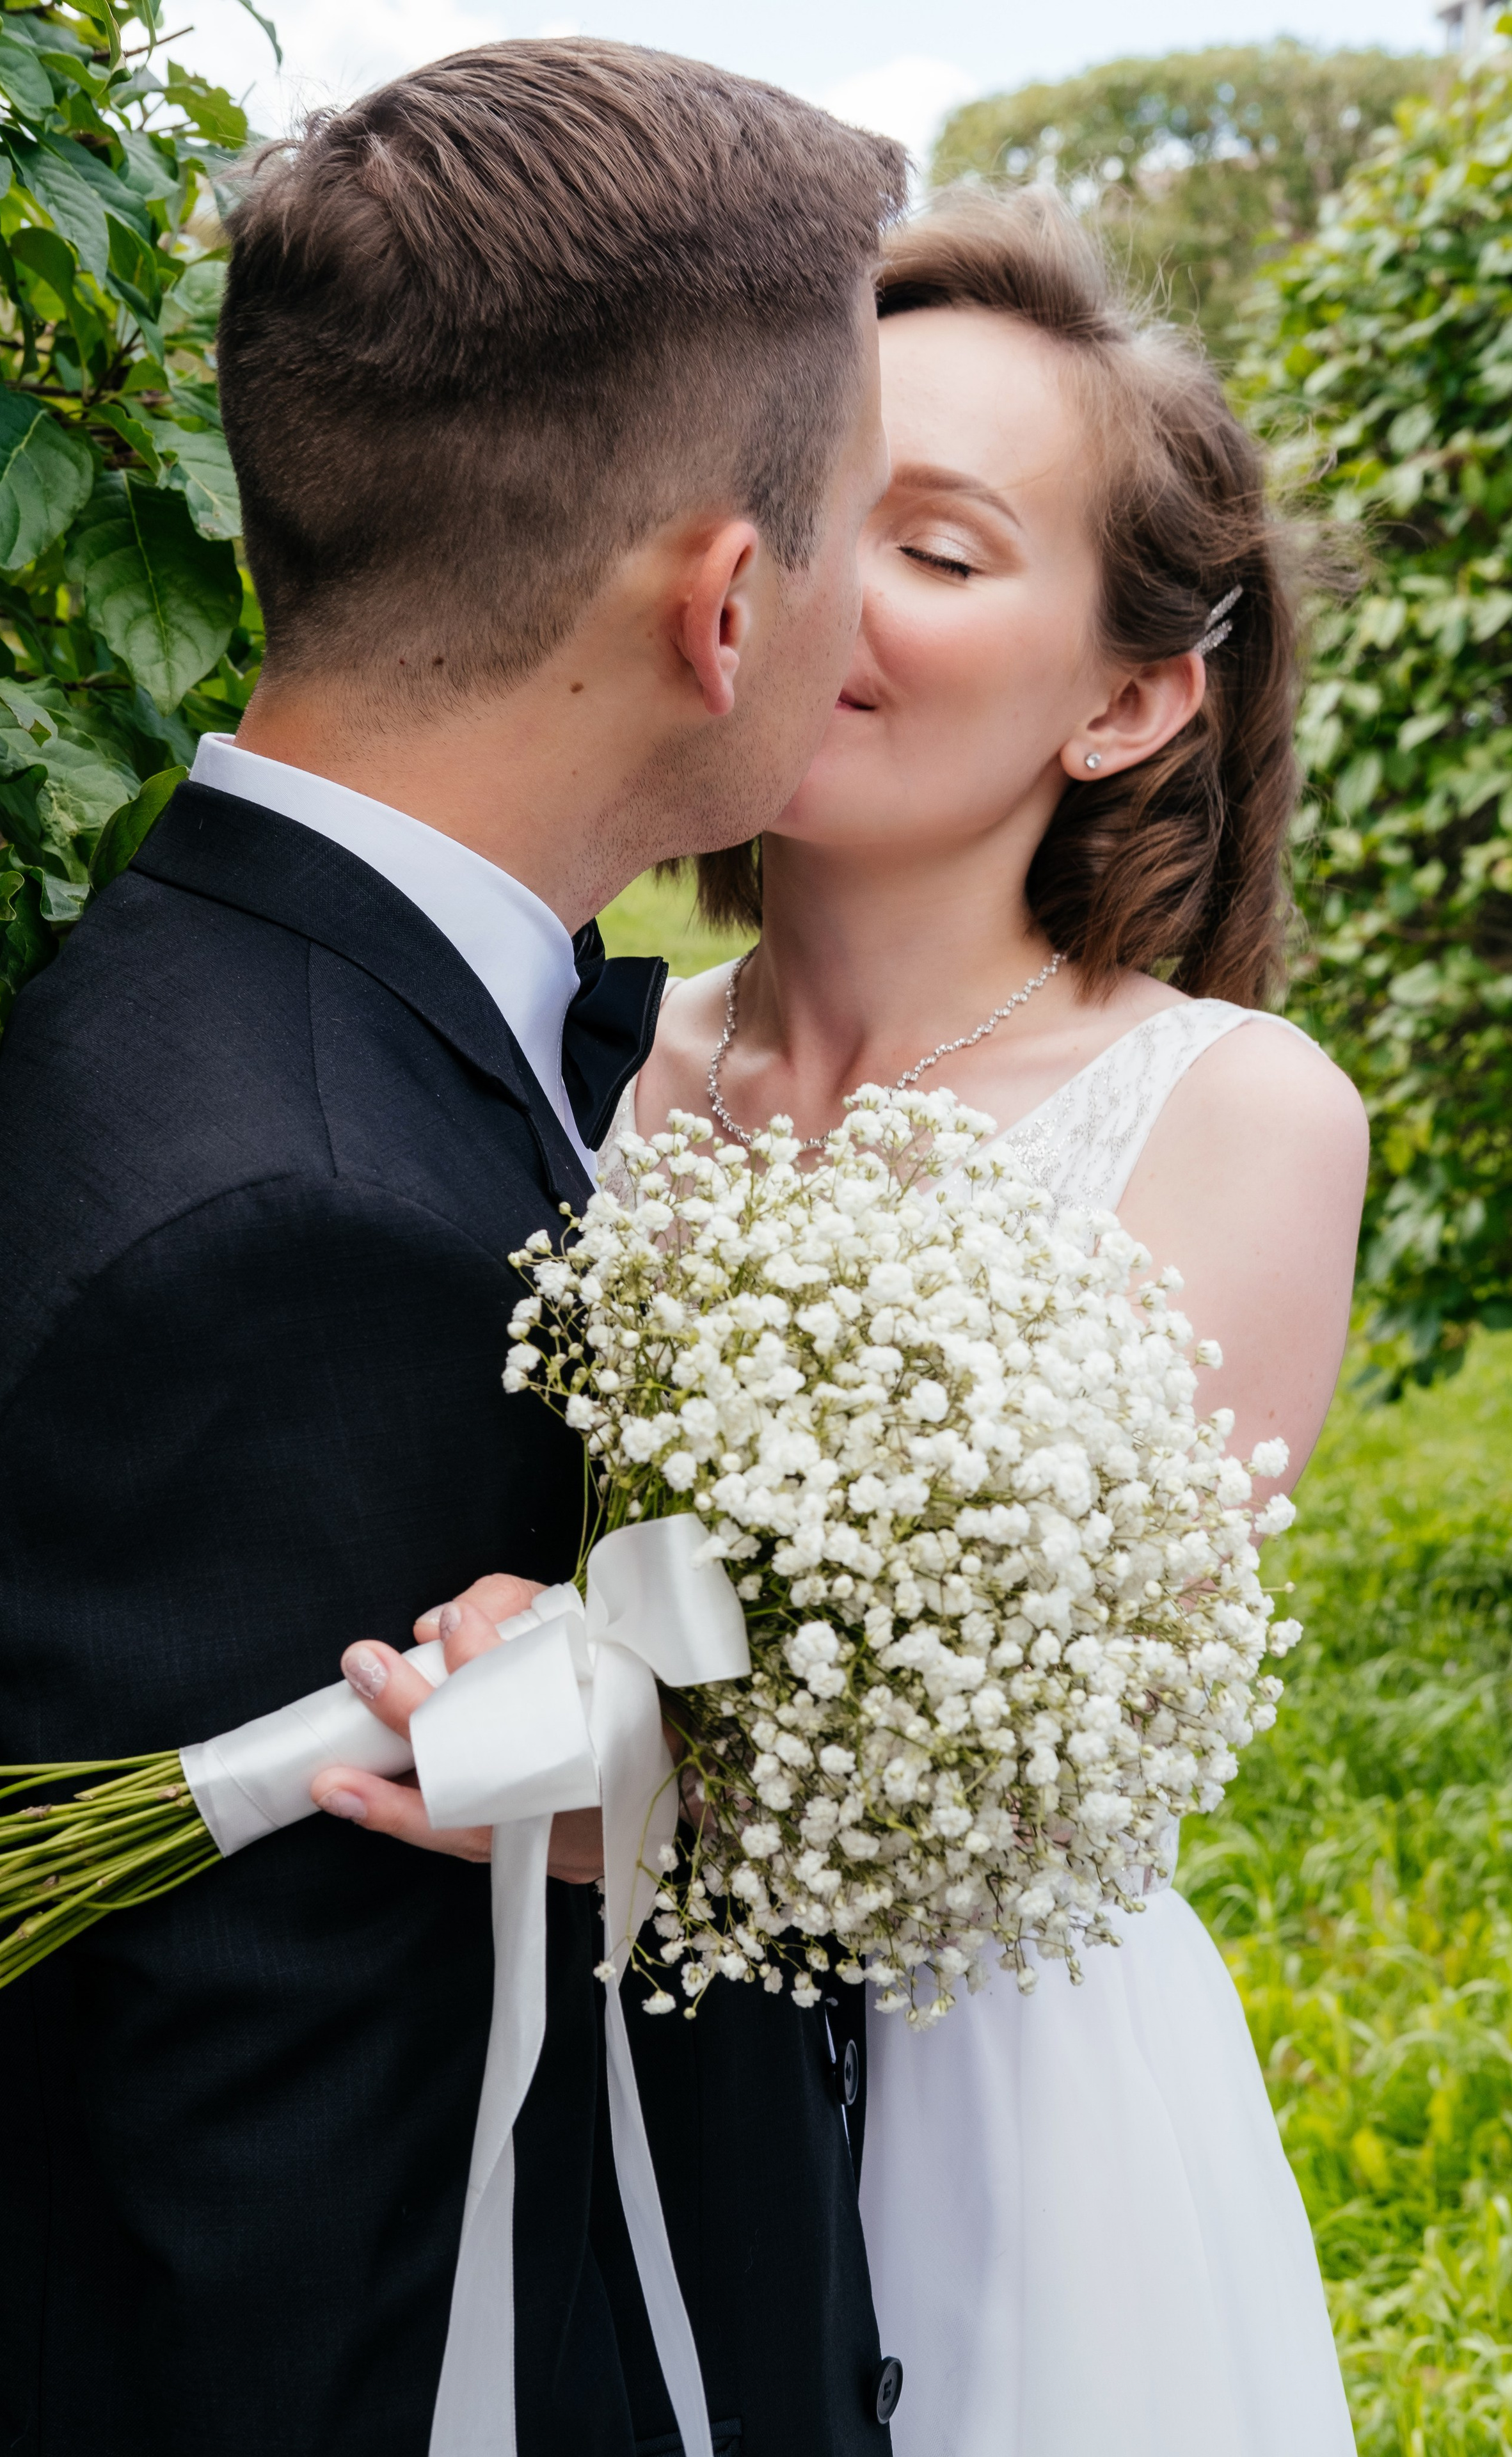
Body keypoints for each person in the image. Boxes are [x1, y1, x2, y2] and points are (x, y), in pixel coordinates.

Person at [0, 43, 904, 2457]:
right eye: (863, 531)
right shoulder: (295, 1232)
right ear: (730, 603)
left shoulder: (257, 1000)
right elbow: (293, 2259)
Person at [609, 187, 1367, 2455]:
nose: (831, 582)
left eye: (936, 551)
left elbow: (1044, 1762)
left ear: (1135, 697)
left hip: (996, 2120)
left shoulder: (1231, 1109)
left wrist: (578, 1767)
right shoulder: (583, 1059)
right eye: (808, 508)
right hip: (548, 2073)